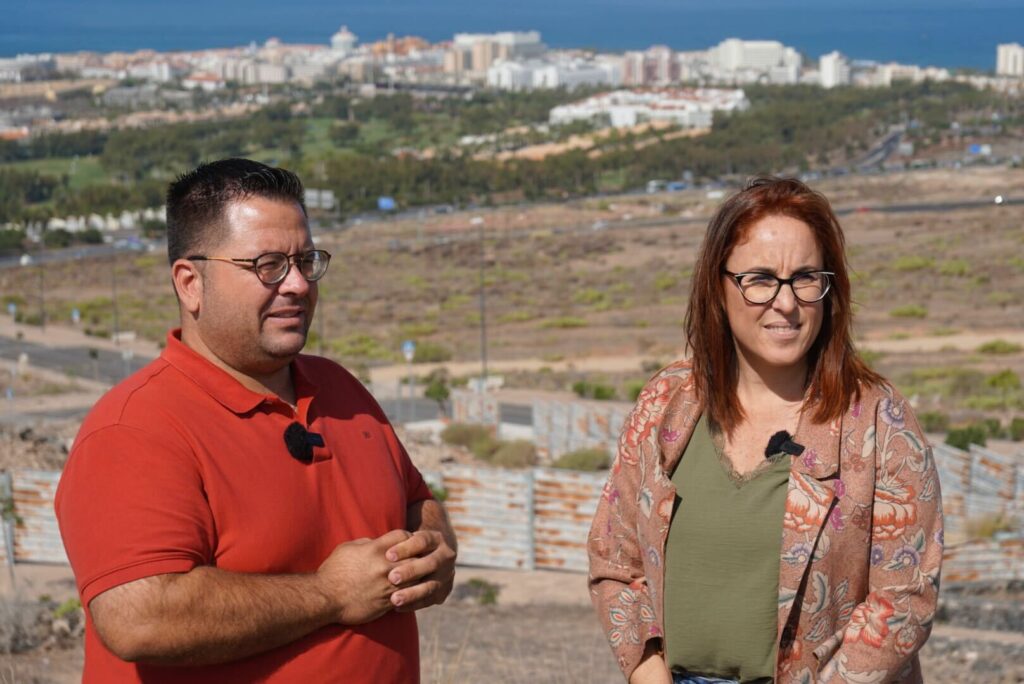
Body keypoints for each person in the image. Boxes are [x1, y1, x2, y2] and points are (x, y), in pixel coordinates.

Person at [55, 158, 457, 683]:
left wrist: (433, 549)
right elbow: (138, 617)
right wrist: (331, 593)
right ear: (190, 283)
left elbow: (416, 501)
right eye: (268, 265)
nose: (297, 284)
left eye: (306, 260)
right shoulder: (134, 429)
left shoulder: (342, 389)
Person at [588, 177, 942, 684]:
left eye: (805, 278)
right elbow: (614, 561)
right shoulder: (666, 402)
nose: (786, 302)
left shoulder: (879, 421)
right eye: (760, 279)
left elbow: (904, 601)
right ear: (718, 286)